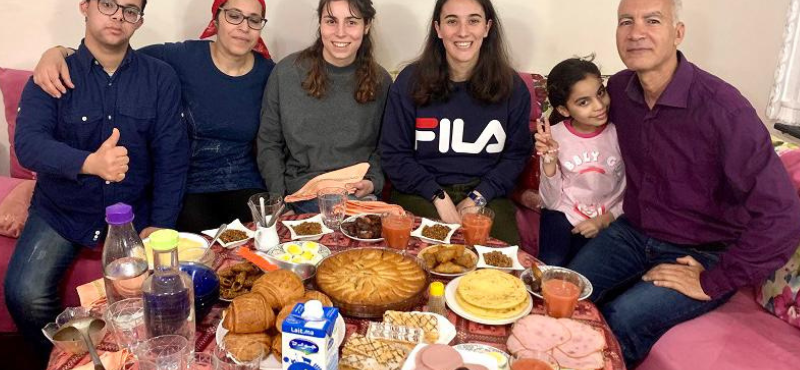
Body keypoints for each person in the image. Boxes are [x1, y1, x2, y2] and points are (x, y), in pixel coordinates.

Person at [568, 0, 800, 367]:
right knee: (564, 291)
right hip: (632, 232)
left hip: (703, 250)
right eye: (626, 21)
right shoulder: (620, 89)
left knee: (620, 319)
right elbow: (581, 126)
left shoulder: (725, 110)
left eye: (652, 20)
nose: (636, 32)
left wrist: (713, 280)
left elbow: (783, 215)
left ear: (678, 33)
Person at [6, 0, 189, 362]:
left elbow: (172, 159)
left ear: (139, 21)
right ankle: (75, 369)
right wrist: (90, 163)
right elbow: (28, 144)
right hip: (62, 209)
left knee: (159, 303)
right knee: (24, 294)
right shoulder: (54, 73)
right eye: (108, 4)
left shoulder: (159, 77)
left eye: (130, 10)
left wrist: (160, 224)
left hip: (134, 214)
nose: (118, 16)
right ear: (85, 7)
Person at [33, 0, 275, 233]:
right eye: (234, 16)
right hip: (191, 187)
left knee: (266, 238)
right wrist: (59, 53)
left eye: (254, 20)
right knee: (200, 246)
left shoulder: (269, 73)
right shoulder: (180, 56)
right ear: (216, 18)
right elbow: (112, 57)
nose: (244, 27)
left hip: (245, 184)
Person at [379, 0, 532, 245]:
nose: (463, 31)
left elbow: (516, 156)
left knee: (497, 260)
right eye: (452, 21)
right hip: (421, 191)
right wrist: (438, 197)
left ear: (487, 27)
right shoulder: (409, 81)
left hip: (487, 193)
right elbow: (393, 154)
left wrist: (478, 197)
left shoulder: (513, 88)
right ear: (438, 29)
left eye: (473, 20)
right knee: (422, 254)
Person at [257, 0, 391, 214]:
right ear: (320, 23)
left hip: (358, 195)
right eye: (331, 21)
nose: (340, 32)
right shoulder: (286, 73)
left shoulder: (381, 81)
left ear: (366, 26)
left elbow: (386, 146)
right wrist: (279, 201)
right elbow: (269, 143)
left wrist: (373, 181)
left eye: (351, 22)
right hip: (302, 195)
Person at [536, 57, 625, 266]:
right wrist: (549, 161)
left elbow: (635, 190)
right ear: (564, 110)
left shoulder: (621, 132)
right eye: (584, 102)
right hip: (563, 214)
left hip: (610, 216)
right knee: (552, 264)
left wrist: (604, 220)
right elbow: (550, 203)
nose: (599, 106)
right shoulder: (553, 136)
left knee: (585, 270)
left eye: (600, 93)